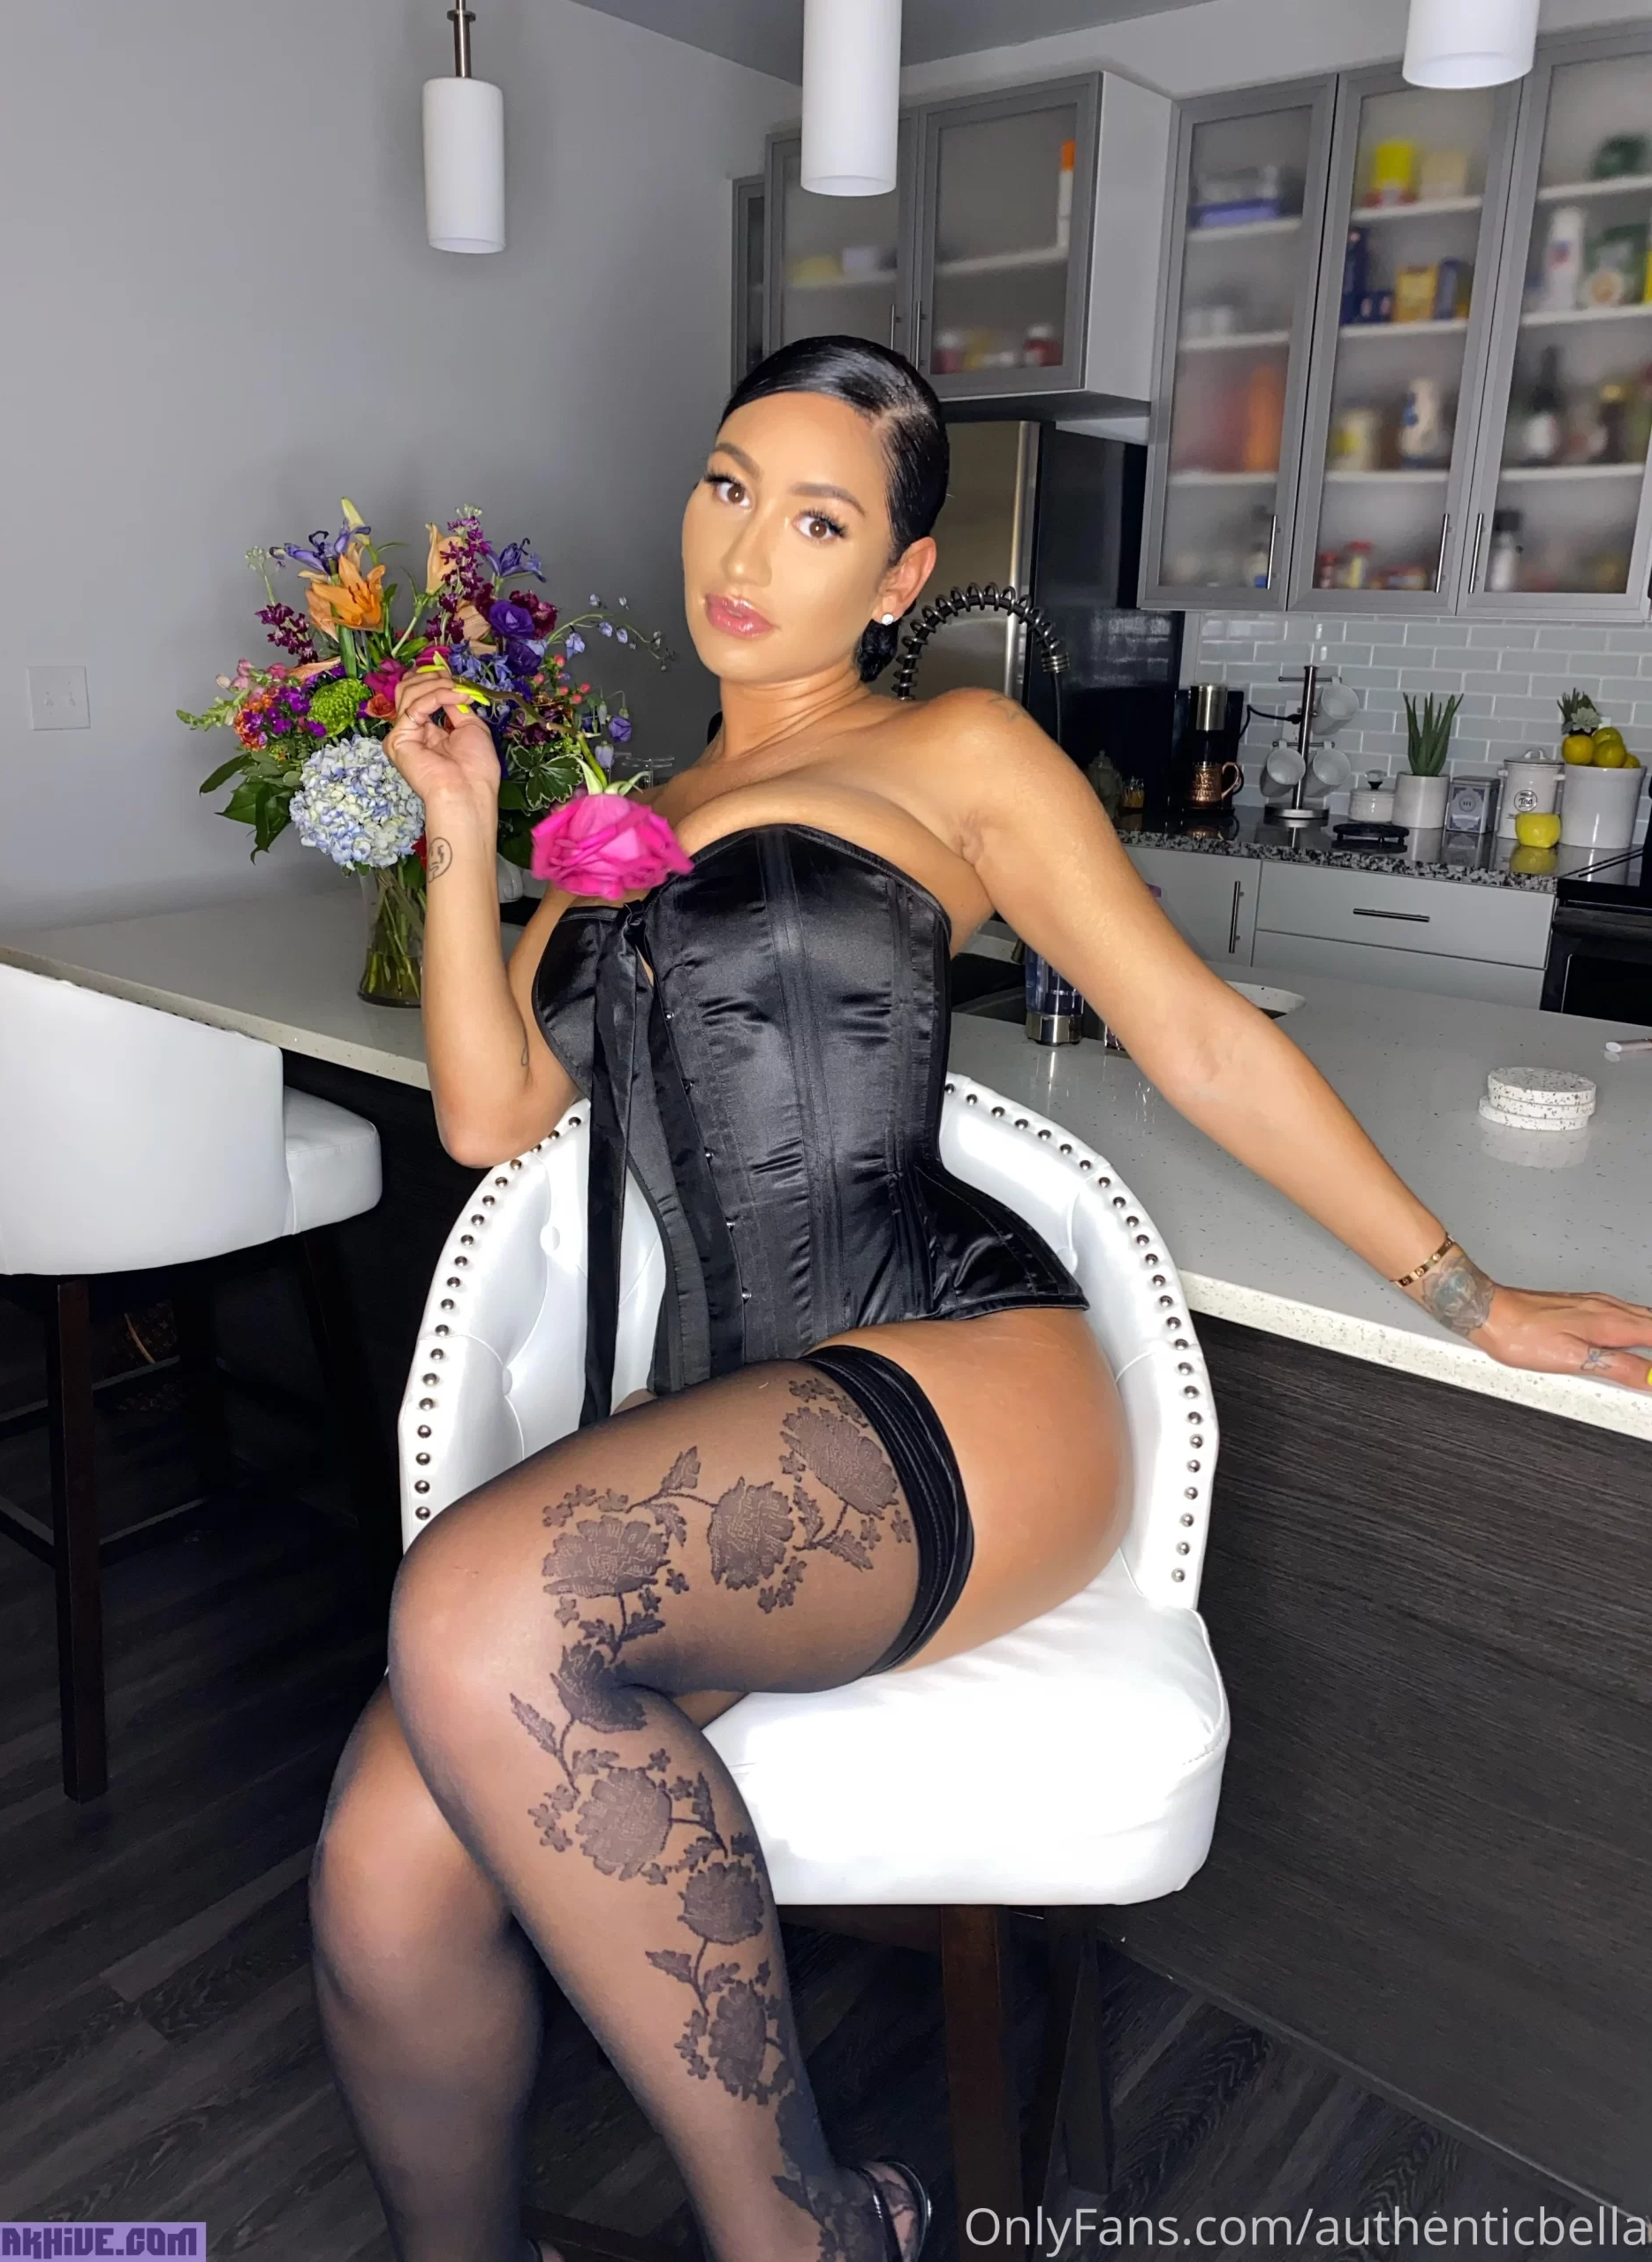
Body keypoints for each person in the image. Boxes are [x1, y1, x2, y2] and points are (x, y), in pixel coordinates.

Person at [308, 337, 1652, 2262]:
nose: (747, 548)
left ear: (902, 574)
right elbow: (493, 1112)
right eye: (728, 486)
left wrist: (1473, 1293)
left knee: (461, 1608)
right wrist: (463, 832)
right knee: (378, 1881)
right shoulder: (626, 815)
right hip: (735, 1419)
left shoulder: (955, 750)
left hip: (958, 1370)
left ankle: (802, 2230)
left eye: (819, 518)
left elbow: (1193, 1033)